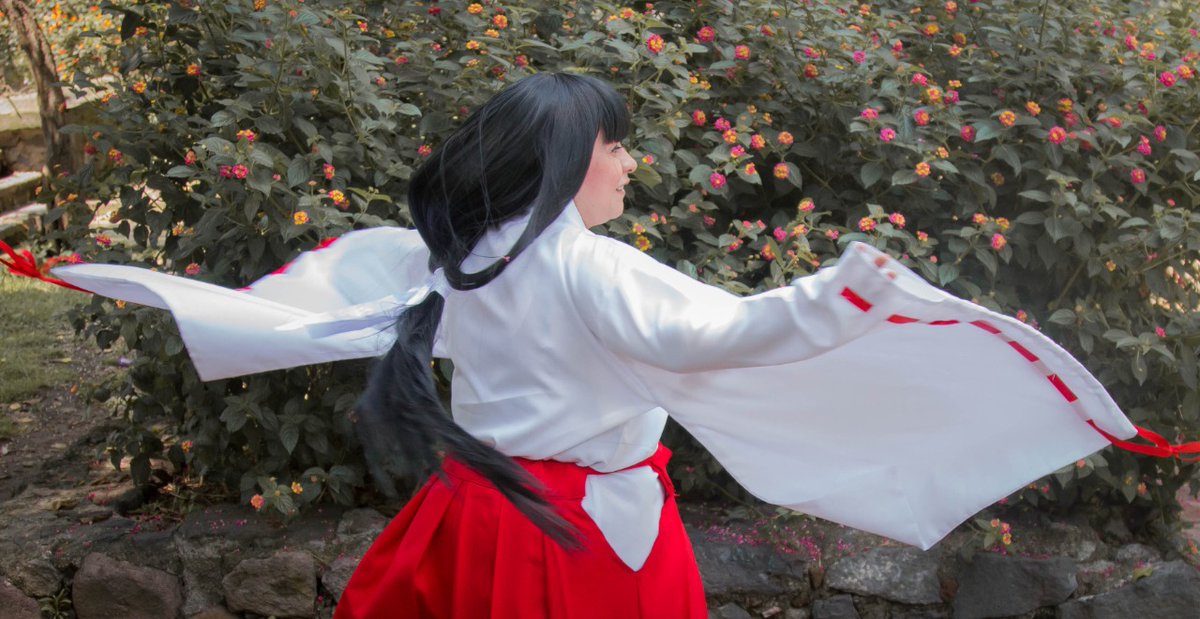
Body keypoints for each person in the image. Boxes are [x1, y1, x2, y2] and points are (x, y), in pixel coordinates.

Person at [8, 73, 1146, 618]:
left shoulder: (459, 256)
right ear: (568, 159)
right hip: (577, 538)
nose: (630, 164)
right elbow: (715, 335)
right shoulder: (582, 265)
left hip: (483, 515)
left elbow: (302, 312)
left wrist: (103, 275)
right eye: (617, 147)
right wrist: (846, 294)